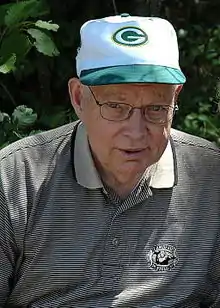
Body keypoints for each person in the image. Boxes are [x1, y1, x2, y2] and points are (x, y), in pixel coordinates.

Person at [0, 13, 219, 308]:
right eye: (116, 106)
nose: (136, 131)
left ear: (175, 97)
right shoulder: (16, 177)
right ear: (78, 98)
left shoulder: (211, 177)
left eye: (156, 108)